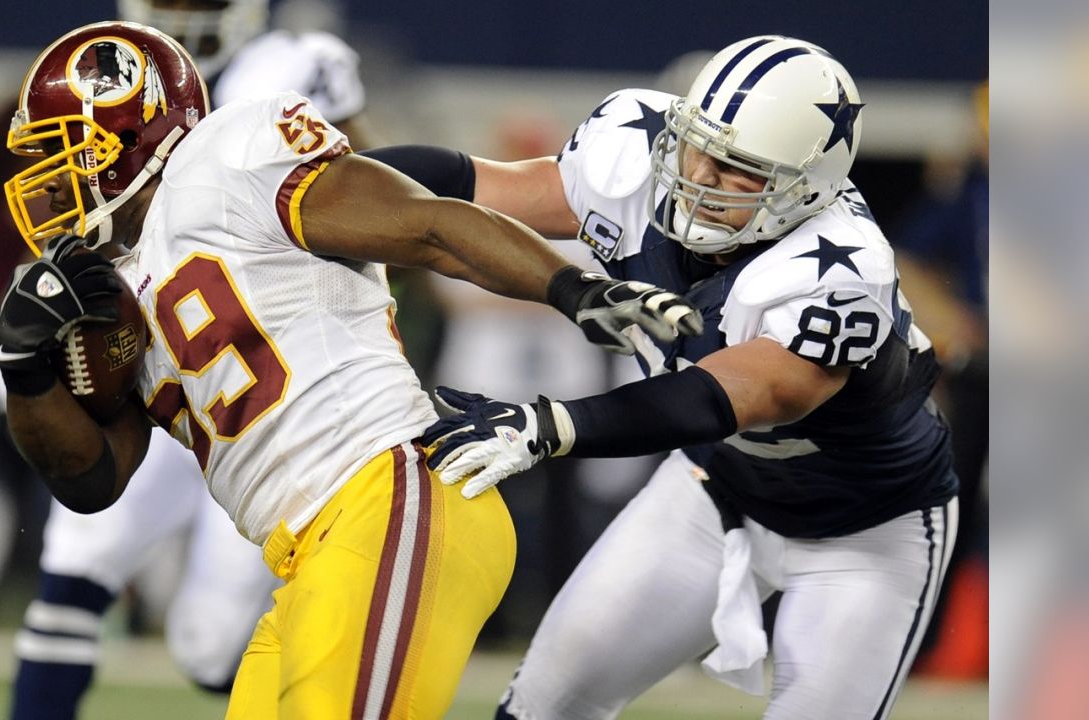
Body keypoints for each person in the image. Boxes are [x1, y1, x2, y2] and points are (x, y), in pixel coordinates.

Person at [0, 21, 698, 719]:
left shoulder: (228, 156)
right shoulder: (108, 290)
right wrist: (24, 366)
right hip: (306, 556)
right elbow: (94, 481)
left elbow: (430, 225)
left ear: (126, 140)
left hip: (390, 497)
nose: (44, 186)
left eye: (63, 153)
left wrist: (571, 290)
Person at [403, 35, 960, 719]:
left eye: (741, 171)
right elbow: (480, 188)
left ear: (805, 185)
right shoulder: (638, 158)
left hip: (866, 535)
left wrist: (549, 426)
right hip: (709, 490)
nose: (703, 177)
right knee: (541, 708)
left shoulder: (841, 270)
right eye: (700, 149)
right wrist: (321, 173)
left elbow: (729, 395)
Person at [0, 3, 389, 716]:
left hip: (259, 384)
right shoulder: (96, 78)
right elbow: (67, 238)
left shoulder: (288, 70)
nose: (186, 13)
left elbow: (375, 187)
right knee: (78, 555)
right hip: (153, 376)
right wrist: (4, 346)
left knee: (209, 645)